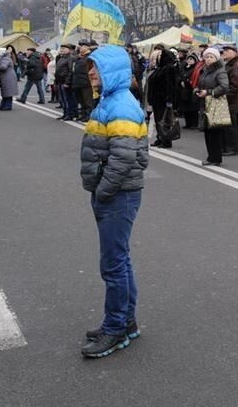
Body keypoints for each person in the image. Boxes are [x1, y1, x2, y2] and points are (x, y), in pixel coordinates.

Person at [78, 45, 148, 358]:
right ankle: (126, 321)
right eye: (90, 67)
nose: (90, 72)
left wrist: (103, 190)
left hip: (118, 195)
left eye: (96, 67)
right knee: (120, 259)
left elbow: (123, 157)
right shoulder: (110, 100)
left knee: (113, 264)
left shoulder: (120, 104)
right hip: (114, 193)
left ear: (113, 70)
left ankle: (116, 327)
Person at [195, 48, 229, 167]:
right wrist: (197, 91)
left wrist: (209, 92)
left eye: (211, 57)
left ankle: (215, 158)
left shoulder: (220, 71)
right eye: (207, 57)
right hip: (205, 104)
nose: (209, 59)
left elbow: (224, 87)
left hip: (215, 104)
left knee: (214, 132)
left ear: (216, 58)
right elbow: (200, 84)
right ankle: (211, 157)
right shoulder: (205, 71)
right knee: (207, 132)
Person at [145, 45, 178, 148]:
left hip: (163, 99)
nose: (157, 59)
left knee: (164, 120)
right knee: (158, 120)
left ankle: (166, 140)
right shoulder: (160, 68)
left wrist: (169, 100)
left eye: (158, 57)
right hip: (157, 99)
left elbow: (170, 85)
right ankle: (160, 138)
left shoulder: (168, 68)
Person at [220, 45, 238, 156]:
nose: (224, 52)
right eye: (224, 51)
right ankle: (227, 147)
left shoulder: (235, 66)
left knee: (231, 126)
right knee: (226, 126)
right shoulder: (228, 65)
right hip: (228, 100)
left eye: (227, 51)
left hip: (232, 101)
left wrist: (223, 94)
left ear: (234, 53)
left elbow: (236, 86)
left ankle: (232, 148)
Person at [177, 53, 200, 130]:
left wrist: (186, 83)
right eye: (188, 59)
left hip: (191, 90)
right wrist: (180, 81)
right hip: (184, 91)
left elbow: (194, 79)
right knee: (186, 108)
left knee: (193, 108)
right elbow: (180, 76)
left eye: (191, 59)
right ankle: (188, 123)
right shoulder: (184, 67)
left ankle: (194, 123)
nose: (189, 61)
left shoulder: (195, 69)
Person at [56, 44, 77, 120]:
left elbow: (71, 71)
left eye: (64, 48)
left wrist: (67, 82)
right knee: (62, 99)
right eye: (61, 48)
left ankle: (69, 114)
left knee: (67, 99)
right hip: (60, 81)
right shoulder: (61, 58)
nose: (62, 50)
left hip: (66, 82)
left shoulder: (71, 58)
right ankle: (65, 113)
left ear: (69, 50)